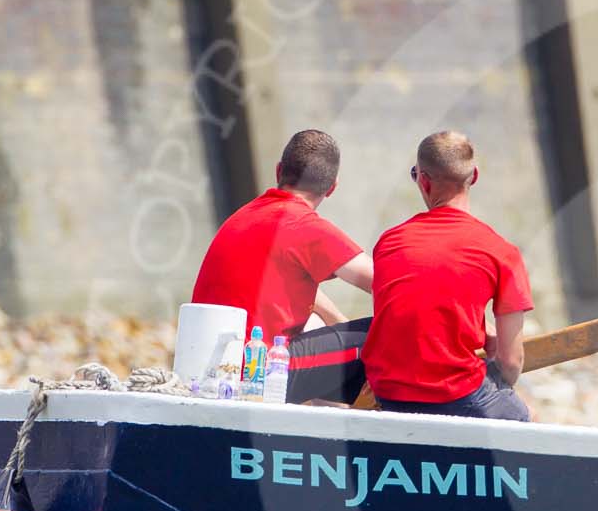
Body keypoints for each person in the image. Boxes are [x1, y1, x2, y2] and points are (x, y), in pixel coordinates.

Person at [361, 130, 534, 422]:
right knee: (527, 418)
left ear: (423, 180)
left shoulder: (389, 243)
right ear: (474, 176)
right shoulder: (501, 252)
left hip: (388, 391)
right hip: (456, 394)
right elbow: (511, 361)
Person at [190, 128, 374, 343]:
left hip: (205, 358)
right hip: (257, 366)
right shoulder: (306, 227)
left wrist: (339, 321)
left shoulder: (244, 216)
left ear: (278, 171)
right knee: (369, 336)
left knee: (318, 322)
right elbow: (388, 284)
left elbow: (292, 289)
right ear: (332, 188)